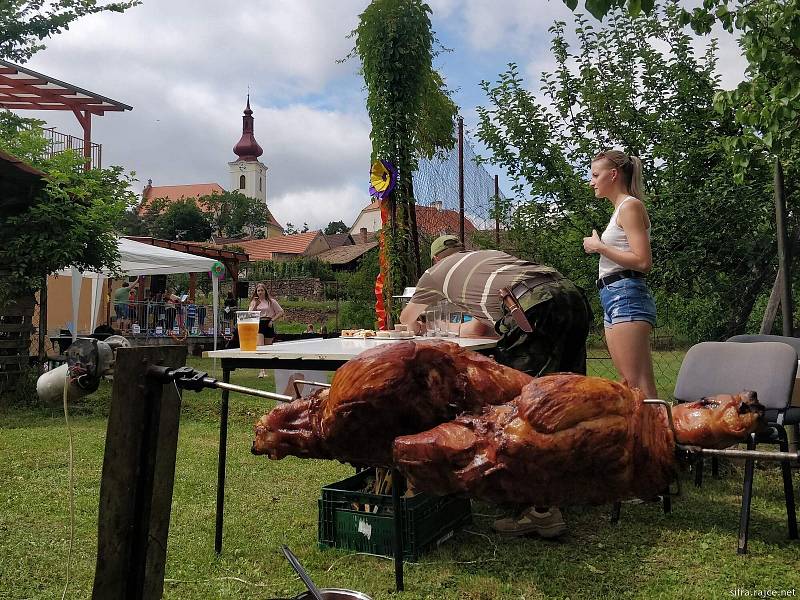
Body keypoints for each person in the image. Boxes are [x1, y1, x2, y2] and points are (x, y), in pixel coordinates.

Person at [400, 234, 592, 539]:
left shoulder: (434, 274)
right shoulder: (487, 260)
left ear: (436, 260)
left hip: (531, 307)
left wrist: (423, 323)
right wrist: (444, 325)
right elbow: (478, 329)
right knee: (565, 398)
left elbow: (406, 320)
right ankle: (573, 484)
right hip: (569, 295)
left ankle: (541, 512)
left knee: (525, 409)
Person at [582, 149, 657, 400]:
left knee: (635, 387)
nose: (591, 181)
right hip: (613, 296)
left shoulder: (630, 206)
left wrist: (600, 246)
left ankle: (656, 437)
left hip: (626, 294)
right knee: (636, 385)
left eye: (595, 175)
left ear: (613, 175)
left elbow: (643, 261)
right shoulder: (620, 209)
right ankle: (659, 436)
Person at [249, 282, 284, 378]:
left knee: (268, 348)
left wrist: (272, 320)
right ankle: (261, 371)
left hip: (268, 323)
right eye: (258, 290)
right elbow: (250, 314)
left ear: (265, 291)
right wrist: (256, 305)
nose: (260, 292)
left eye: (261, 290)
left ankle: (266, 369)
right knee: (260, 347)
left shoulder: (271, 301)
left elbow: (281, 312)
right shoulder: (253, 302)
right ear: (256, 292)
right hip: (259, 323)